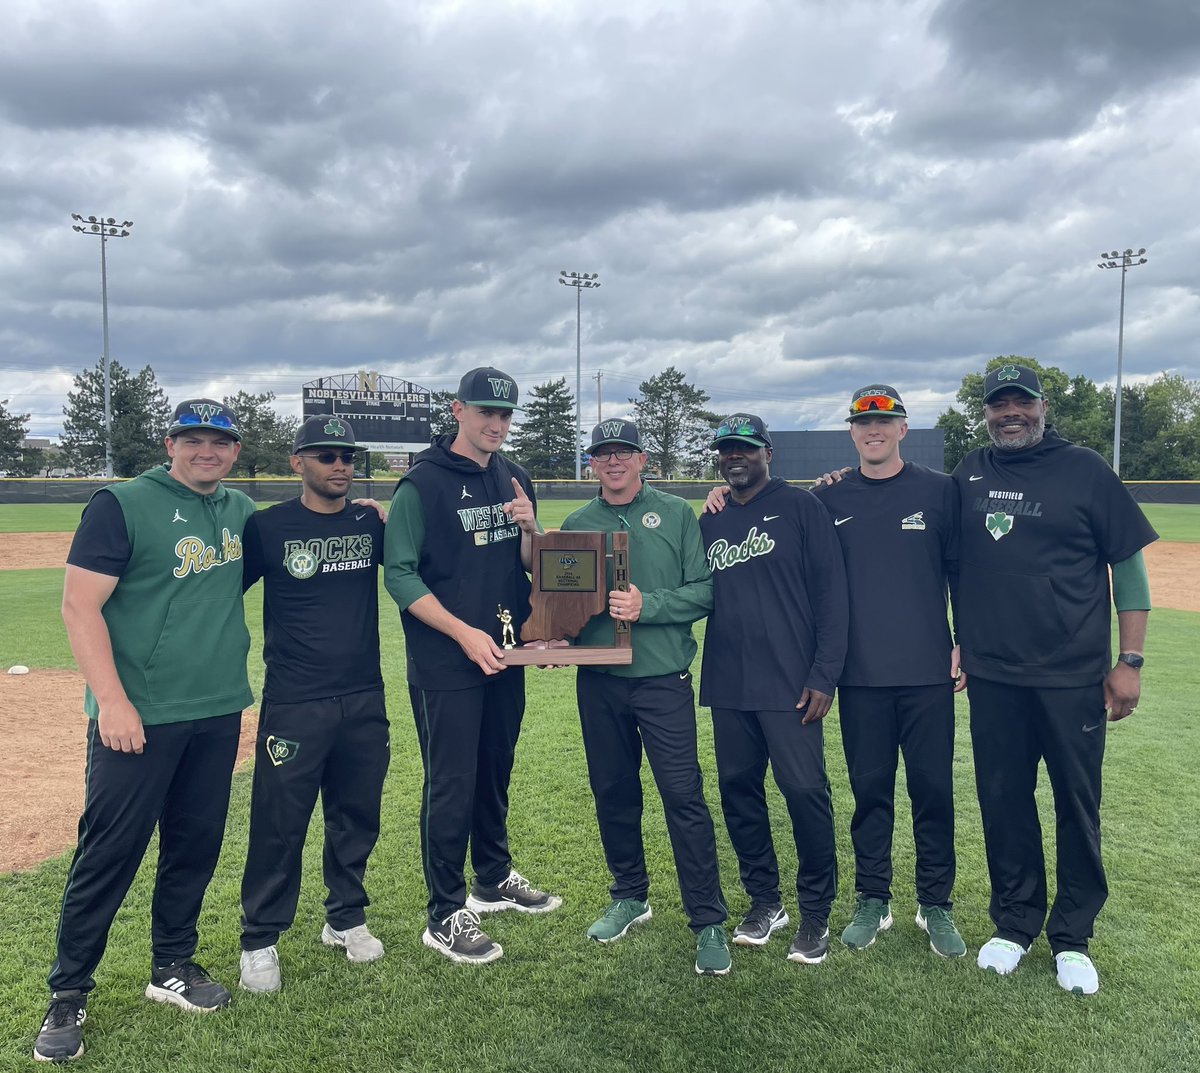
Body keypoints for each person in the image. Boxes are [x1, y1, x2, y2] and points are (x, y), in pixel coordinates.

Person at [35, 399, 254, 1064]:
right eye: (193, 439)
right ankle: (69, 991)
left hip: (217, 710)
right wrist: (112, 701)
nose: (206, 451)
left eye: (219, 441)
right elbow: (79, 605)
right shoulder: (122, 503)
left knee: (194, 845)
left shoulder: (242, 512)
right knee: (109, 852)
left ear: (236, 451)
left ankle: (172, 964)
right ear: (170, 442)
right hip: (137, 717)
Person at [953, 363, 1156, 996]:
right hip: (992, 674)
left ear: (1043, 406)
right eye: (999, 405)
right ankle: (1014, 924)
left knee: (1076, 803)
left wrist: (1130, 662)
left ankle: (1072, 935)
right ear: (985, 412)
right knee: (1005, 801)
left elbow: (1129, 569)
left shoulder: (1086, 469)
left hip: (1073, 675)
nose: (1010, 412)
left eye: (1022, 402)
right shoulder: (970, 471)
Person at [384, 367, 560, 966]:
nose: (497, 425)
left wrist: (531, 528)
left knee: (493, 768)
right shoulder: (423, 484)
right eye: (486, 412)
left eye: (506, 415)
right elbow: (401, 575)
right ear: (457, 410)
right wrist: (462, 633)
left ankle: (492, 876)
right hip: (448, 659)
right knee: (450, 780)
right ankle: (443, 911)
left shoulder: (516, 476)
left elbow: (535, 564)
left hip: (506, 653)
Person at [562, 419, 731, 976]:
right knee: (613, 792)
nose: (613, 462)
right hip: (599, 682)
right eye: (602, 454)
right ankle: (629, 895)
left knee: (683, 796)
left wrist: (647, 605)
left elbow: (705, 590)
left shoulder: (679, 513)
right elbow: (560, 596)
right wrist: (553, 628)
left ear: (641, 460)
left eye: (623, 453)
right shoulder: (577, 522)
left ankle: (707, 920)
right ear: (592, 464)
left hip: (662, 681)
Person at [810, 386, 967, 958]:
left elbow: (961, 574)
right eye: (862, 423)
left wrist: (964, 642)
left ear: (904, 428)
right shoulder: (829, 497)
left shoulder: (939, 491)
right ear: (851, 433)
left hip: (928, 673)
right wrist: (721, 496)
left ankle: (936, 903)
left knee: (933, 791)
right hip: (860, 676)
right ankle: (873, 897)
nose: (873, 430)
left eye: (886, 420)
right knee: (870, 792)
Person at [237, 416, 390, 993]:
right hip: (295, 700)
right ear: (298, 461)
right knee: (279, 823)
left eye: (347, 456)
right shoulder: (268, 527)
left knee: (357, 816)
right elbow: (218, 593)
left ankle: (345, 917)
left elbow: (417, 569)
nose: (340, 466)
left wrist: (390, 517)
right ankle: (260, 939)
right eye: (326, 456)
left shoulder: (368, 522)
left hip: (363, 695)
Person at [698, 413, 848, 966]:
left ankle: (815, 912)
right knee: (740, 795)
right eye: (726, 450)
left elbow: (834, 598)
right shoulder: (710, 518)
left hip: (793, 684)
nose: (735, 457)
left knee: (806, 793)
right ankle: (766, 901)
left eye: (745, 448)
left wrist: (823, 674)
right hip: (730, 683)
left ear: (767, 452)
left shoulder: (803, 507)